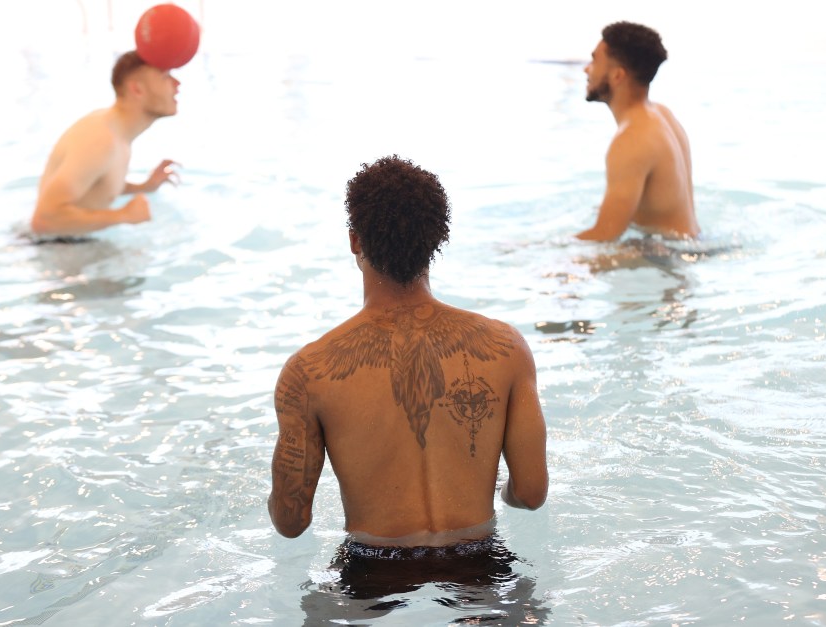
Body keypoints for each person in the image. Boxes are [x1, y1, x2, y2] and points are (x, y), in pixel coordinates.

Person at [268, 156, 548, 610]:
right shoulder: (505, 348)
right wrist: (497, 491)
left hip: (369, 570)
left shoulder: (309, 371)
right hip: (480, 561)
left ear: (355, 241)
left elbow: (291, 521)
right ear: (438, 239)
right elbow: (531, 493)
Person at [29, 51, 180, 237]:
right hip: (54, 252)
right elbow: (43, 221)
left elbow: (97, 184)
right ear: (137, 89)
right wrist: (123, 215)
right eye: (166, 76)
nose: (177, 84)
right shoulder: (100, 140)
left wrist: (144, 187)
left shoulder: (117, 133)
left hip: (68, 245)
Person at [576, 21, 700, 241]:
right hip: (685, 246)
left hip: (664, 257)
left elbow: (604, 236)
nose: (587, 68)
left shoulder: (632, 139)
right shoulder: (661, 115)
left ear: (617, 76)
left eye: (595, 60)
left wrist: (529, 249)